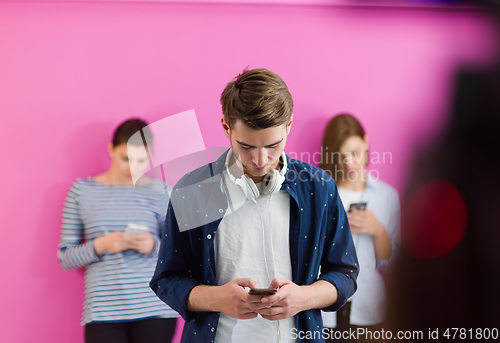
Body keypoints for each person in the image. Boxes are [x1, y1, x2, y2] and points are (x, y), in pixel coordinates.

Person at [151, 69, 359, 343]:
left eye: (273, 145)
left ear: (289, 125)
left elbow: (345, 273)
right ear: (226, 127)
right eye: (246, 146)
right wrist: (217, 299)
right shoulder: (193, 190)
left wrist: (303, 298)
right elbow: (166, 279)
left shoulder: (319, 187)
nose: (261, 160)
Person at [58, 118, 178, 343]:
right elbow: (65, 257)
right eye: (126, 159)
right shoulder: (82, 191)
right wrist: (101, 245)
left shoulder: (162, 191)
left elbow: (179, 255)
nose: (133, 168)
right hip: (103, 312)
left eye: (141, 160)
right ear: (111, 149)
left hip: (155, 308)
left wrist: (152, 245)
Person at [319, 114, 401, 343]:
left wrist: (377, 230)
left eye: (355, 153)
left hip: (369, 309)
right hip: (326, 311)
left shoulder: (386, 196)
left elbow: (391, 262)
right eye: (342, 156)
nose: (350, 163)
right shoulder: (324, 194)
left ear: (366, 142)